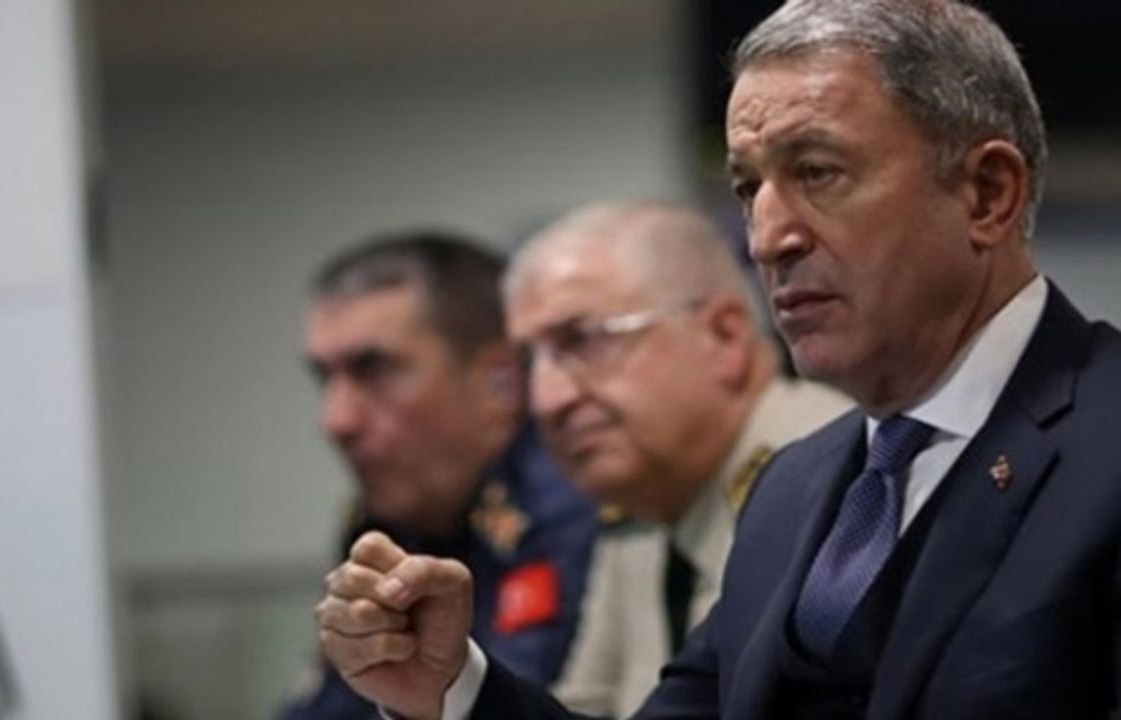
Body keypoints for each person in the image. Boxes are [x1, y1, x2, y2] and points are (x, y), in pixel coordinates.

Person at [312, 0, 1121, 718]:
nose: (767, 238)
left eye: (817, 172)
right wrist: (453, 689)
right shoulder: (794, 491)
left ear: (986, 194)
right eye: (747, 188)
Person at [503, 202, 848, 717]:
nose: (547, 399)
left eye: (583, 341)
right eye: (530, 361)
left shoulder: (840, 480)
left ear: (724, 337)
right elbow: (586, 705)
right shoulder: (644, 500)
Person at [280, 232, 600, 720]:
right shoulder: (391, 518)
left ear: (499, 382)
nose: (336, 421)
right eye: (326, 378)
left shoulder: (570, 499)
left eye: (373, 370)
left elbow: (510, 700)